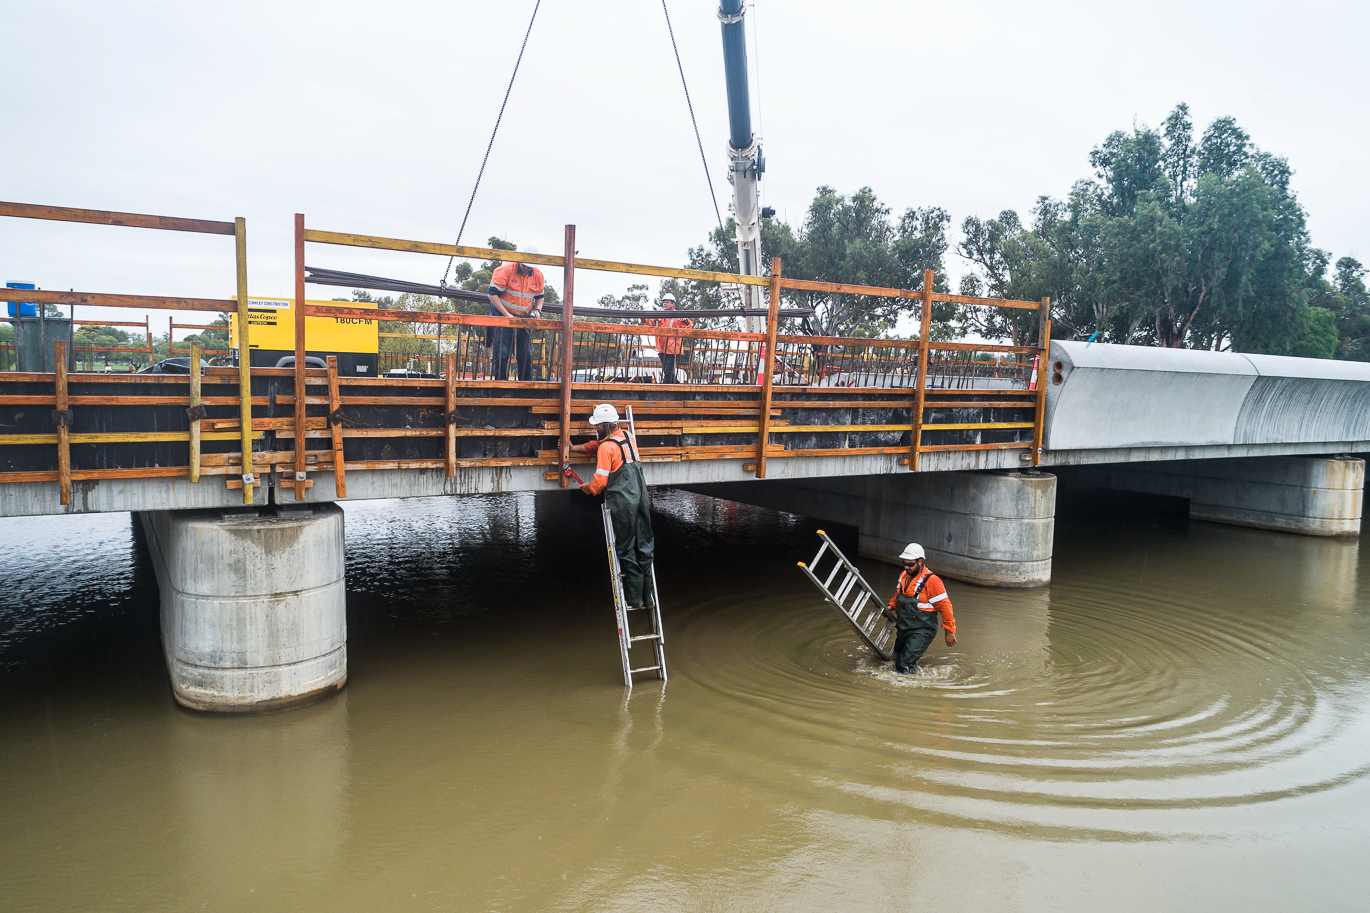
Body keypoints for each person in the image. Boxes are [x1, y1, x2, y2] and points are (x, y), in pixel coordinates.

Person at [577, 403, 656, 610]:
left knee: (625, 546)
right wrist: (574, 447)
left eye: (597, 426)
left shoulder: (605, 448)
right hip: (640, 497)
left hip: (622, 503)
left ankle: (634, 598)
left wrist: (590, 489)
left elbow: (601, 482)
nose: (595, 429)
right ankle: (647, 597)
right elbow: (605, 446)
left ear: (604, 426)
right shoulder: (628, 436)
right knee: (644, 542)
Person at [886, 543, 957, 674]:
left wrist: (949, 631)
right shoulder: (903, 575)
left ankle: (906, 691)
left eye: (910, 564)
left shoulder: (932, 581)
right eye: (904, 563)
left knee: (904, 664)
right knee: (896, 659)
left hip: (922, 630)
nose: (906, 567)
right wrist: (891, 606)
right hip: (904, 628)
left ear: (920, 561)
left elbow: (946, 607)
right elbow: (898, 596)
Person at [487, 260, 545, 381]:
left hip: (524, 319)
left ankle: (525, 387)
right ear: (519, 261)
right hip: (503, 316)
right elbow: (492, 295)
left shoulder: (538, 275)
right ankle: (500, 384)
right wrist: (507, 315)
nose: (525, 269)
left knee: (525, 355)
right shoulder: (505, 270)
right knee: (502, 353)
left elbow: (540, 297)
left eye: (529, 267)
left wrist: (538, 311)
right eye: (524, 266)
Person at [644, 293, 693, 384]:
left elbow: (689, 327)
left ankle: (665, 388)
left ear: (673, 304)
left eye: (667, 302)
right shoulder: (660, 316)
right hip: (662, 349)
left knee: (667, 371)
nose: (665, 304)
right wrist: (643, 318)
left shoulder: (678, 316)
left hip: (673, 349)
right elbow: (650, 322)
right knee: (668, 371)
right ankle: (676, 384)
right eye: (664, 302)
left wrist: (686, 320)